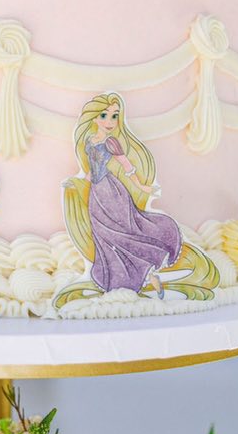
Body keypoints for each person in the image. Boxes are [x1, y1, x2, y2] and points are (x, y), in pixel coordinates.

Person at [57, 93, 218, 309]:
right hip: (97, 194)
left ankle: (148, 273)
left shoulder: (111, 142)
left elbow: (126, 166)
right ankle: (139, 277)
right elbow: (89, 172)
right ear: (94, 118)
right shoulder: (89, 141)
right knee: (105, 236)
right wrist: (76, 186)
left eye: (114, 116)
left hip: (113, 193)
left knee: (124, 233)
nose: (110, 121)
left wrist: (142, 187)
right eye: (105, 115)